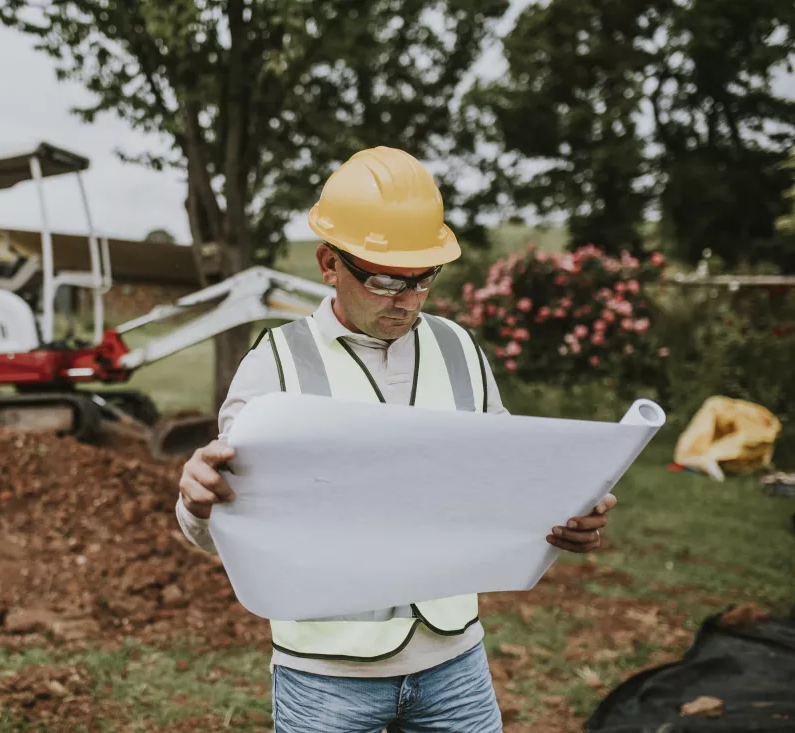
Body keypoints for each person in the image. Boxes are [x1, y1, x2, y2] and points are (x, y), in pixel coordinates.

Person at [175, 146, 618, 733]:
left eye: (423, 279)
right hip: (326, 675)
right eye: (386, 280)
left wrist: (566, 515)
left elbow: (508, 476)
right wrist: (195, 503)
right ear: (330, 264)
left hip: (454, 660)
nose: (407, 300)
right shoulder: (275, 364)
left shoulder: (459, 348)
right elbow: (218, 530)